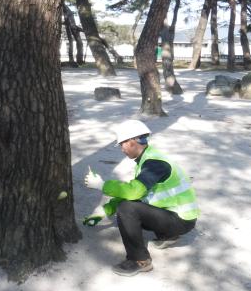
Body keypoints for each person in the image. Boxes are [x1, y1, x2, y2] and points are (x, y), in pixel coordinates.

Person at [84, 119, 199, 277]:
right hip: (176, 216)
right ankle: (168, 235)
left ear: (131, 141)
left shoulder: (154, 163)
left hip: (181, 220)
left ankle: (140, 260)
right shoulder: (147, 159)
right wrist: (104, 211)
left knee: (127, 209)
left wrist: (102, 185)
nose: (122, 149)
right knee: (130, 202)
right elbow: (135, 192)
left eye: (122, 144)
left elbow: (134, 194)